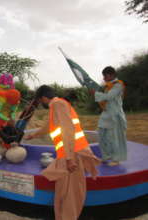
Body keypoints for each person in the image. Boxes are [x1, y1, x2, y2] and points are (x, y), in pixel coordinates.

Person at [25, 85, 100, 220]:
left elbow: (68, 130)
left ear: (43, 98)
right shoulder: (57, 106)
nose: (41, 104)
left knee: (70, 193)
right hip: (68, 153)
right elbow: (48, 126)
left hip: (72, 154)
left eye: (40, 101)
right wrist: (33, 135)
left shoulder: (58, 105)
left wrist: (69, 158)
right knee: (64, 190)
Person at [91, 66, 127, 166]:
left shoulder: (118, 85)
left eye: (105, 76)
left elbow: (109, 97)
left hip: (115, 114)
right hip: (106, 114)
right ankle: (106, 156)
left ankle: (116, 159)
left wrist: (96, 94)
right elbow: (105, 98)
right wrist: (96, 94)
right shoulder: (108, 86)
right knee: (102, 135)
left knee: (114, 137)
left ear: (111, 75)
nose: (103, 78)